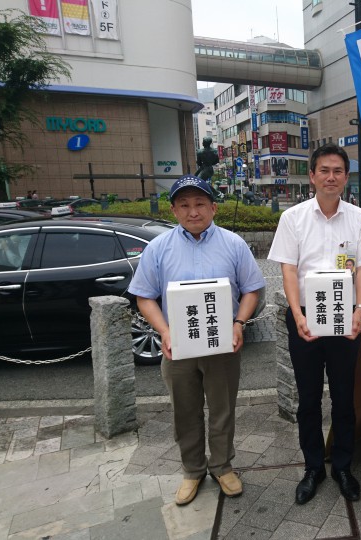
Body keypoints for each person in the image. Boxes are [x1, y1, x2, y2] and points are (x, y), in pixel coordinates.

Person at [128, 174, 265, 506]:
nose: (193, 212)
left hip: (223, 346)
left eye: (200, 203)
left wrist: (238, 322)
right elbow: (144, 297)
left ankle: (222, 466)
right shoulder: (159, 248)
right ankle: (193, 470)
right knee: (185, 412)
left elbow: (252, 289)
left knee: (222, 410)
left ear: (213, 207)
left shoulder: (233, 244)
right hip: (178, 348)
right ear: (174, 210)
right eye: (184, 205)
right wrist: (165, 330)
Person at [268, 143, 361, 505]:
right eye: (324, 171)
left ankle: (343, 466)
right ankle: (313, 467)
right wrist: (298, 315)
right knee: (309, 398)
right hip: (304, 318)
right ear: (313, 176)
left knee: (345, 397)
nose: (330, 177)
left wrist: (359, 310)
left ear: (346, 178)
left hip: (344, 317)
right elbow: (287, 268)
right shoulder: (293, 218)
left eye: (338, 171)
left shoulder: (359, 219)